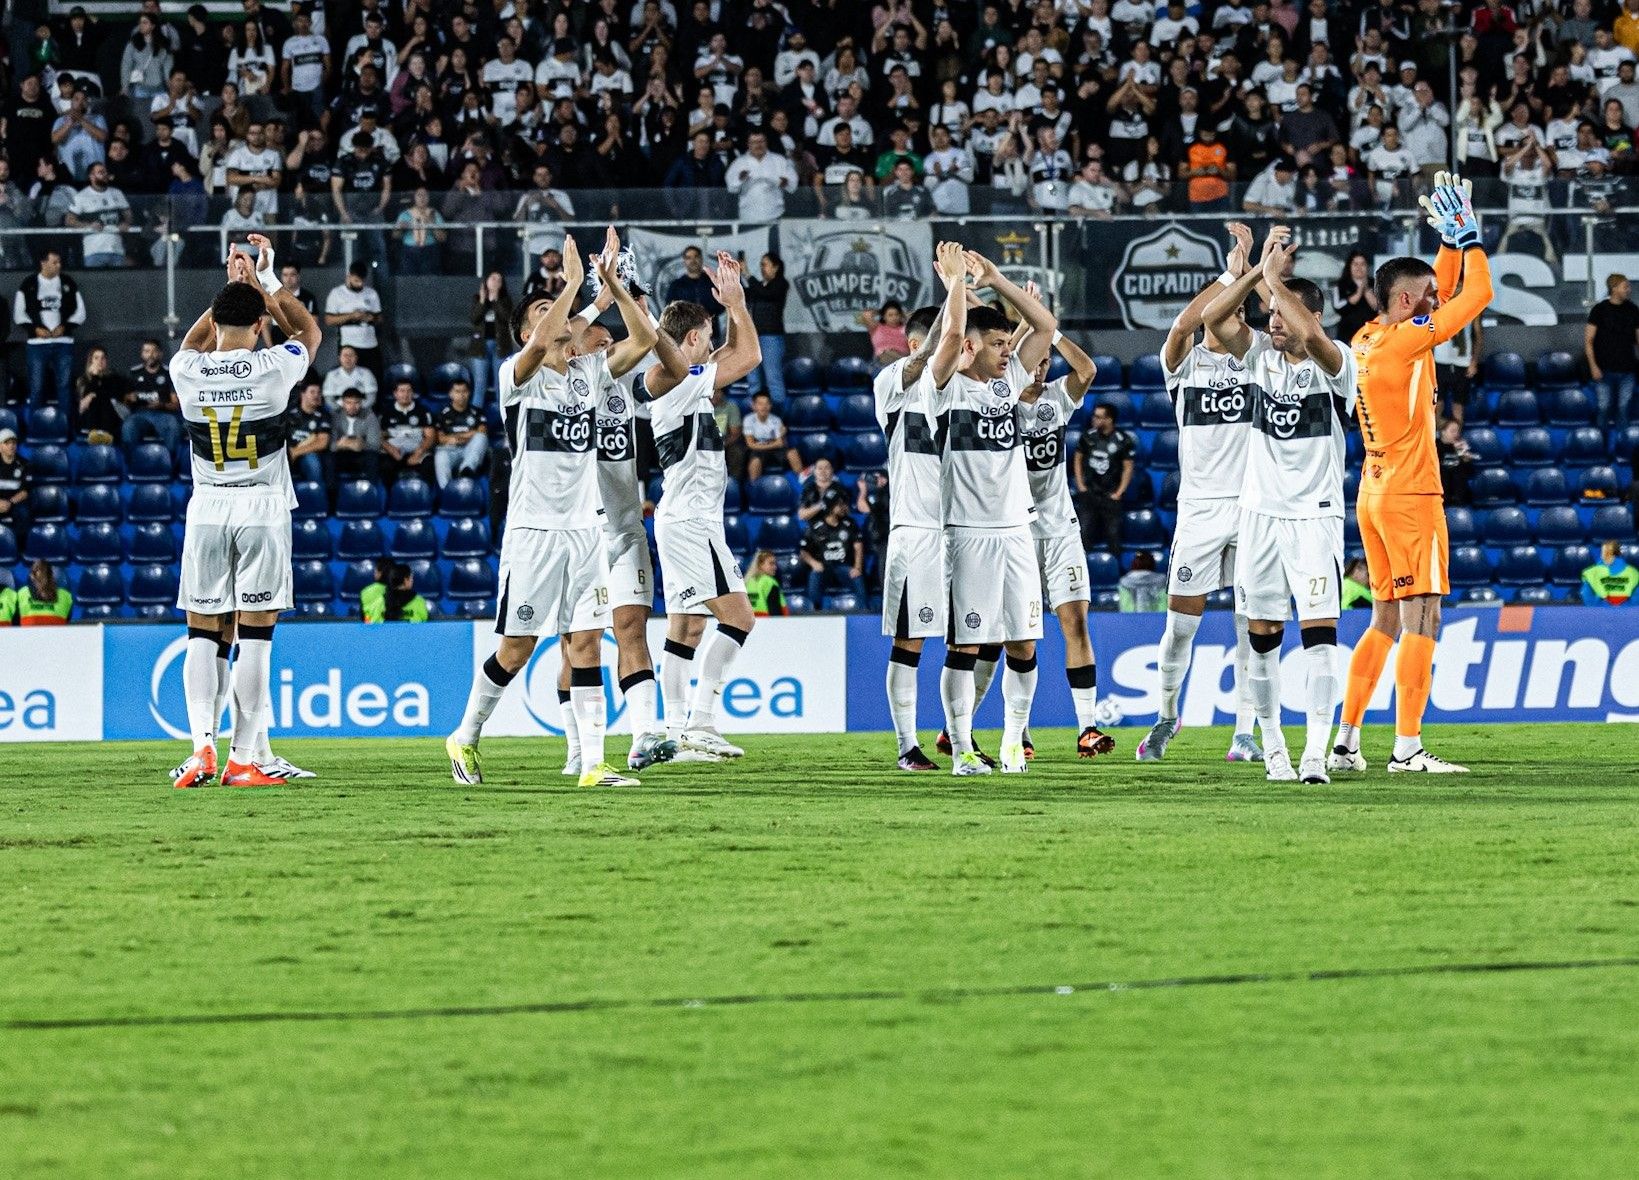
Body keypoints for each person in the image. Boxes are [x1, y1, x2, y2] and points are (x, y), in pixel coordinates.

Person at [445, 238, 663, 788]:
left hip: (585, 532)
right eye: (543, 311)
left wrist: (611, 288)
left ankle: (593, 765)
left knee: (587, 643)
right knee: (516, 650)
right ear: (526, 333)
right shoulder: (515, 377)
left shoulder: (590, 372)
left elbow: (644, 338)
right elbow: (547, 338)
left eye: (558, 309)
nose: (557, 316)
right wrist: (572, 287)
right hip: (533, 532)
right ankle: (465, 735)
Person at [1334, 172, 1493, 776]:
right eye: (1426, 297)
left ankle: (1347, 740)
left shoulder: (1369, 336)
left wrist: (1447, 244)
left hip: (1374, 492)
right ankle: (1406, 747)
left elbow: (1442, 288)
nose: (1436, 301)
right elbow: (1476, 296)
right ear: (1406, 303)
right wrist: (1471, 239)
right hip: (1411, 494)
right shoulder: (1404, 343)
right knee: (1423, 616)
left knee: (1383, 618)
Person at [1204, 227, 1359, 785]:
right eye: (1268, 315)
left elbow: (1312, 336)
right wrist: (1251, 270)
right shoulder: (1258, 360)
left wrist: (1274, 278)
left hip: (1314, 517)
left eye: (1280, 315)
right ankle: (1274, 749)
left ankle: (1315, 753)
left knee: (1319, 638)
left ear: (1309, 316)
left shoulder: (1338, 364)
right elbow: (1214, 320)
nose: (1272, 323)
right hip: (1260, 516)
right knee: (1263, 637)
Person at [171, 234, 321, 789]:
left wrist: (231, 289)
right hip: (261, 504)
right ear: (260, 325)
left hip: (208, 505)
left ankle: (201, 749)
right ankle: (242, 758)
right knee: (255, 638)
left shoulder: (186, 370)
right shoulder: (273, 367)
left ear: (215, 322)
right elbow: (308, 333)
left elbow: (192, 342)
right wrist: (265, 283)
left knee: (202, 633)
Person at [1137, 221, 1266, 765]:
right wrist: (1232, 273)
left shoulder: (1259, 360)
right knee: (1179, 628)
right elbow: (1184, 324)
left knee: (1250, 626)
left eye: (1234, 310)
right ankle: (1167, 716)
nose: (1226, 317)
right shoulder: (1183, 365)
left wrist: (1253, 272)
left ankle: (1244, 733)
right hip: (1199, 510)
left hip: (1254, 508)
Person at [562, 232, 691, 773]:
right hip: (577, 534)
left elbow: (662, 356)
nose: (607, 342)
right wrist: (597, 293)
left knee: (632, 629)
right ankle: (578, 749)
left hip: (624, 529)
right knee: (580, 641)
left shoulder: (622, 385)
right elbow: (571, 334)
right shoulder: (558, 385)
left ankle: (644, 735)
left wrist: (621, 288)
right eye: (598, 337)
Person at [927, 242, 1057, 776]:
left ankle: (1011, 740)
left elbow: (1045, 326)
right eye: (998, 344)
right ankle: (961, 749)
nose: (1008, 352)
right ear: (970, 346)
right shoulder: (942, 388)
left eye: (1008, 343)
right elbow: (948, 338)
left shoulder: (1008, 385)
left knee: (1023, 643)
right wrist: (957, 285)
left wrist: (998, 280)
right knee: (966, 644)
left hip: (1017, 530)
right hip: (966, 532)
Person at [642, 252, 764, 761]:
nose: (714, 347)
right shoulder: (674, 380)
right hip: (692, 522)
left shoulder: (686, 377)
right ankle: (702, 722)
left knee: (687, 629)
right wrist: (736, 304)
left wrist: (735, 308)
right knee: (740, 619)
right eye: (708, 338)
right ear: (692, 339)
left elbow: (735, 350)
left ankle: (675, 732)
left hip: (684, 519)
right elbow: (749, 355)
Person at [1015, 334, 1119, 759]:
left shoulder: (1057, 397)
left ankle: (1087, 728)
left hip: (1060, 530)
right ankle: (1019, 732)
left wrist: (1052, 332)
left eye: (1046, 361)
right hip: (1016, 533)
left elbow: (1087, 370)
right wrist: (1028, 330)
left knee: (1075, 622)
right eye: (1034, 361)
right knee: (1020, 637)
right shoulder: (998, 401)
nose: (1041, 369)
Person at [14, 250, 86, 413]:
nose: (59, 265)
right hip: (37, 344)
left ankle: (65, 424)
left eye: (59, 262)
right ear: (43, 263)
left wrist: (65, 327)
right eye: (55, 262)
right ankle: (36, 424)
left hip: (63, 343)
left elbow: (81, 312)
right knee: (37, 387)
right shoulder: (29, 283)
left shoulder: (67, 282)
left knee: (65, 387)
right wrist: (35, 329)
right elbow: (19, 314)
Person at [1073, 401, 1135, 555]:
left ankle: (1115, 565)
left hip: (1111, 496)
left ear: (1109, 419)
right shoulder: (1088, 437)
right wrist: (1080, 485)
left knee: (1114, 537)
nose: (1094, 419)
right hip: (1089, 494)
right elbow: (1077, 459)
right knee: (1083, 534)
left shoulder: (1123, 440)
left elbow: (1128, 468)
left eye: (1098, 417)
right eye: (1094, 416)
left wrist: (1119, 493)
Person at [1586, 272, 1639, 429]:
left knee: (1624, 407)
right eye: (1625, 286)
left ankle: (1623, 440)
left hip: (1628, 369)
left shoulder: (1633, 310)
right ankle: (1600, 440)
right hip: (1604, 369)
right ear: (1614, 288)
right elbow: (1588, 341)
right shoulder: (1599, 310)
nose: (1629, 290)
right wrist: (1593, 366)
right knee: (1603, 407)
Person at [324, 262, 384, 383]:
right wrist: (351, 316)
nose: (359, 284)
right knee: (350, 379)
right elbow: (329, 320)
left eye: (362, 281)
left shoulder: (371, 293)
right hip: (348, 343)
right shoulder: (337, 293)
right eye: (356, 281)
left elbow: (380, 318)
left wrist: (370, 318)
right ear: (349, 276)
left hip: (370, 343)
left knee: (375, 378)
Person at [800, 497, 865, 607]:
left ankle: (864, 610)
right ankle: (815, 610)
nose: (843, 508)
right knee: (814, 575)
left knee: (857, 577)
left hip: (844, 566)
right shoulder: (816, 526)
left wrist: (857, 567)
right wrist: (814, 563)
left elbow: (858, 546)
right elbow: (803, 551)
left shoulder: (849, 524)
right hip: (824, 567)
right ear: (831, 508)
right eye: (839, 505)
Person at [121, 338, 182, 454]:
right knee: (128, 426)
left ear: (160, 354)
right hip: (140, 415)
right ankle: (130, 463)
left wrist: (162, 405)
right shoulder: (134, 373)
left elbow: (176, 404)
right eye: (147, 351)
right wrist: (129, 399)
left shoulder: (169, 373)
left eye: (154, 351)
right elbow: (124, 402)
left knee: (173, 424)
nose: (150, 355)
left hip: (163, 415)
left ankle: (172, 463)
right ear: (142, 354)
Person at [65, 162, 131, 268]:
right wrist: (88, 225)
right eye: (101, 172)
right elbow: (69, 220)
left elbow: (128, 214)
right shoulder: (81, 196)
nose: (105, 175)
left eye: (105, 172)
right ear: (91, 176)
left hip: (117, 249)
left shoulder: (117, 193)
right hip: (94, 251)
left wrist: (126, 223)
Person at [468, 272, 515, 409]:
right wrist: (483, 301)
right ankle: (476, 415)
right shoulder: (477, 298)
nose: (496, 282)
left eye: (499, 280)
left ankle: (502, 416)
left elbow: (508, 319)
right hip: (480, 347)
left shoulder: (505, 300)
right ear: (486, 281)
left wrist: (496, 300)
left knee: (500, 383)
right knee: (480, 382)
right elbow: (474, 319)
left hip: (501, 347)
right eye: (493, 279)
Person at [744, 254, 788, 402]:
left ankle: (777, 413)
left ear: (775, 267)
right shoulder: (760, 286)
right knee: (753, 378)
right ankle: (755, 412)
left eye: (765, 264)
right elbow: (745, 293)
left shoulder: (780, 284)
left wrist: (748, 274)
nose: (762, 268)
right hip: (754, 337)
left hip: (771, 337)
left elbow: (766, 294)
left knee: (773, 378)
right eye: (761, 265)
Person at [379, 379, 435, 485]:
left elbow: (430, 437)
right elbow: (378, 436)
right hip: (394, 452)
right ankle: (390, 494)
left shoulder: (423, 411)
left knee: (429, 465)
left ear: (413, 393)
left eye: (409, 391)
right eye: (402, 391)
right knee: (384, 466)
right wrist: (391, 450)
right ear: (395, 393)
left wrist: (419, 452)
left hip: (417, 451)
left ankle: (424, 493)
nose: (405, 394)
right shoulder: (386, 412)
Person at [76, 348, 130, 444]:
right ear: (91, 361)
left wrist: (94, 390)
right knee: (93, 401)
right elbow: (81, 405)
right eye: (96, 358)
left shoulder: (114, 379)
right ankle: (95, 434)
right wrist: (94, 377)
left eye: (103, 358)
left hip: (110, 417)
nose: (100, 361)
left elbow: (111, 396)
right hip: (89, 417)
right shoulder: (82, 381)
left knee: (103, 399)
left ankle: (104, 434)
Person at [743, 390, 801, 479]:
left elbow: (780, 443)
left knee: (792, 453)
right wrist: (771, 444)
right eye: (760, 404)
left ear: (770, 406)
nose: (764, 407)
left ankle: (801, 481)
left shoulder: (776, 420)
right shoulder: (748, 420)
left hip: (771, 448)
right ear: (754, 406)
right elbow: (750, 444)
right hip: (758, 450)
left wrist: (764, 445)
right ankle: (754, 485)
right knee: (755, 462)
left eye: (767, 404)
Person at [285, 380, 332, 487]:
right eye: (312, 392)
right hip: (287, 453)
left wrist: (295, 452)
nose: (316, 395)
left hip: (307, 454)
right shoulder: (289, 412)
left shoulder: (324, 414)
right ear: (303, 394)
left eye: (319, 392)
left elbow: (322, 443)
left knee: (312, 461)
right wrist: (289, 452)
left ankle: (315, 494)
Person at [330, 388, 381, 483]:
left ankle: (372, 488)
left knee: (373, 458)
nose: (352, 406)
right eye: (348, 403)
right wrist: (341, 445)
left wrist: (362, 445)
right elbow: (329, 444)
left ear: (361, 403)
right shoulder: (335, 416)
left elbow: (375, 444)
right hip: (340, 454)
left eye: (356, 403)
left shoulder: (369, 416)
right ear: (343, 403)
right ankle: (331, 490)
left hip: (362, 454)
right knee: (328, 458)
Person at [1334, 251, 1379, 348]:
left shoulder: (1375, 284)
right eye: (1355, 264)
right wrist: (1359, 292)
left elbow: (1378, 306)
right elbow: (1338, 306)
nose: (1359, 268)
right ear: (1350, 266)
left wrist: (1366, 290)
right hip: (1347, 334)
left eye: (1362, 264)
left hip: (1371, 333)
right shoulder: (1341, 285)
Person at [363, 563, 430, 622]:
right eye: (411, 578)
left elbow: (369, 623)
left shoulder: (377, 603)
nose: (412, 581)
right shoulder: (419, 602)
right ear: (406, 580)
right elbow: (425, 623)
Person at [16, 559, 72, 625]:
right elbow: (67, 619)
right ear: (52, 577)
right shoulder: (66, 595)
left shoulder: (22, 593)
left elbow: (16, 621)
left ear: (32, 576)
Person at [322, 345, 378, 410]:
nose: (348, 358)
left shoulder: (366, 373)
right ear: (339, 358)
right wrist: (341, 411)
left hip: (362, 409)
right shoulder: (331, 375)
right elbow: (329, 399)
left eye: (351, 355)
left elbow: (371, 398)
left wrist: (358, 410)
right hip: (338, 410)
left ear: (356, 358)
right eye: (345, 355)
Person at [1582, 539, 1637, 605]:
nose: (1605, 556)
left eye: (1609, 552)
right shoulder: (1592, 572)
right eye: (1604, 552)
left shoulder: (1632, 573)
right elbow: (1587, 594)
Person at [0, 429, 31, 540]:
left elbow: (25, 491)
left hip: (15, 503)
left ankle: (19, 545)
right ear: (0, 447)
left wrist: (9, 502)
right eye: (7, 443)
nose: (11, 446)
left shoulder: (24, 464)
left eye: (13, 443)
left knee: (23, 512)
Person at [1437, 418, 1474, 506]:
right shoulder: (1435, 446)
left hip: (1458, 492)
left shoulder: (1460, 446)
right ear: (1443, 432)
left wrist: (1465, 457)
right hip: (1440, 490)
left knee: (1458, 471)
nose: (1456, 434)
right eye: (1453, 431)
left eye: (1457, 431)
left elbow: (1470, 472)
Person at [797, 456, 847, 522]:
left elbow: (846, 512)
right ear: (814, 471)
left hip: (836, 524)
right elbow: (801, 516)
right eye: (820, 468)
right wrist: (822, 504)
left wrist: (839, 511)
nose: (823, 471)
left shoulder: (839, 488)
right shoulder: (808, 489)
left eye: (827, 468)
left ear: (832, 471)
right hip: (815, 525)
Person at [745, 550, 788, 616]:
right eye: (771, 564)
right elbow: (775, 611)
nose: (775, 567)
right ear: (760, 565)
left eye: (775, 564)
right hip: (766, 620)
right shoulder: (769, 582)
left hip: (749, 620)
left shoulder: (747, 581)